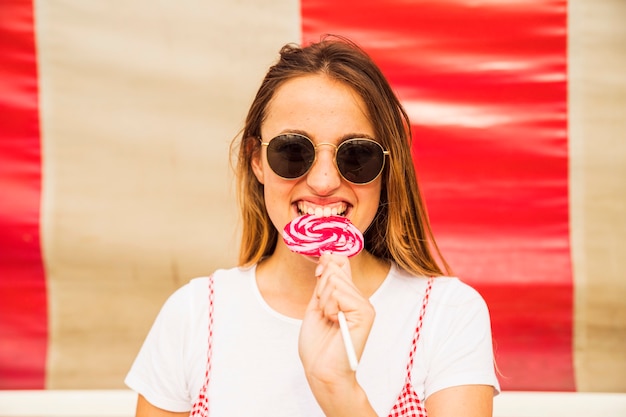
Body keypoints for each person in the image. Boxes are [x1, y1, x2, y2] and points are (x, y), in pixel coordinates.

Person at [125, 35, 500, 417]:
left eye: (356, 154)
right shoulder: (193, 316)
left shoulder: (447, 314)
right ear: (256, 160)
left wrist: (338, 390)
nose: (323, 182)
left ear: (387, 167)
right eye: (292, 151)